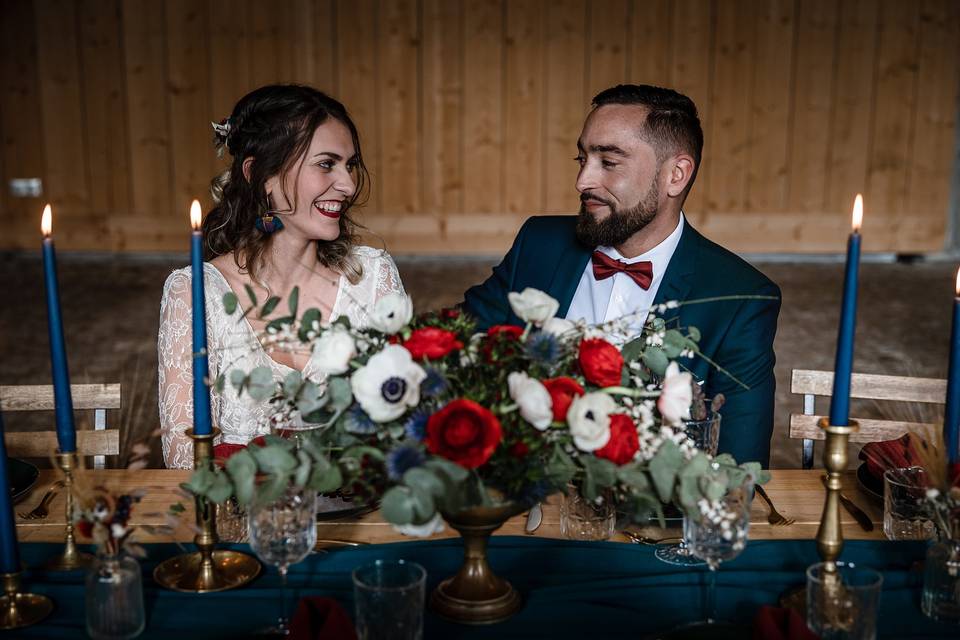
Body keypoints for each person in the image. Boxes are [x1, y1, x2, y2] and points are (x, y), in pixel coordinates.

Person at [463, 84, 780, 467]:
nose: (583, 181)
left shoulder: (740, 297)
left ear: (675, 175)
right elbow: (457, 341)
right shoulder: (539, 244)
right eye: (581, 159)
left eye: (608, 163)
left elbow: (739, 465)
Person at [158, 85, 405, 469]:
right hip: (240, 522)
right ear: (261, 175)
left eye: (349, 164)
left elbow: (403, 426)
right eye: (326, 164)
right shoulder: (193, 293)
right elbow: (184, 457)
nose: (348, 184)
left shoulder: (372, 277)